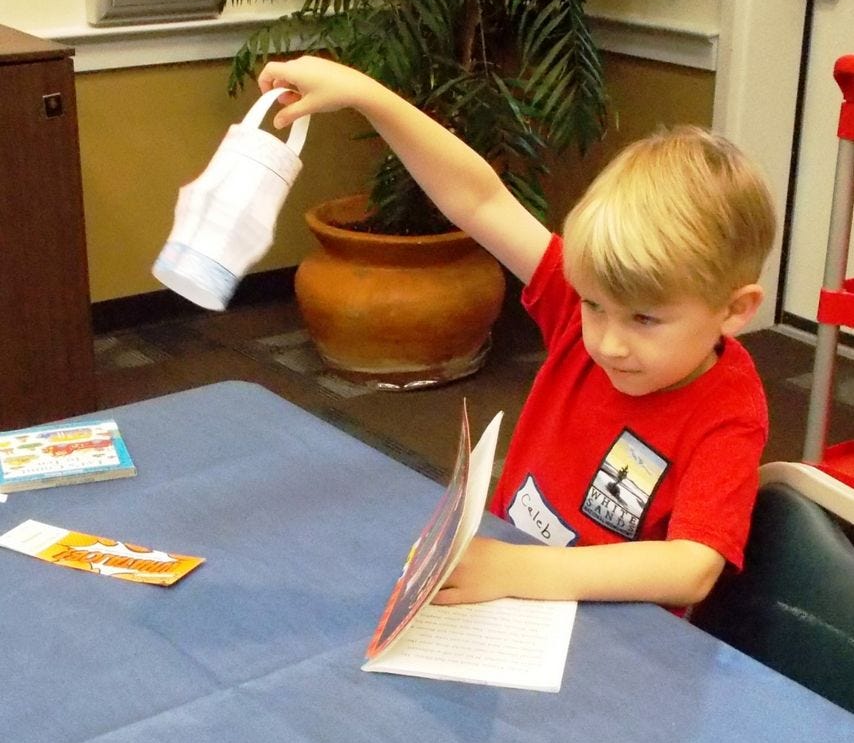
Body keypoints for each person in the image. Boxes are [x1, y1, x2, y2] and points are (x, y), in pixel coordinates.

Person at [258, 56, 776, 610]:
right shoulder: (580, 309)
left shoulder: (729, 409)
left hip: (605, 637)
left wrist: (520, 570)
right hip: (509, 586)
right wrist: (368, 94)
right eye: (594, 306)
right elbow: (478, 198)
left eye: (645, 319)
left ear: (733, 310)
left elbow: (690, 567)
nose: (607, 342)